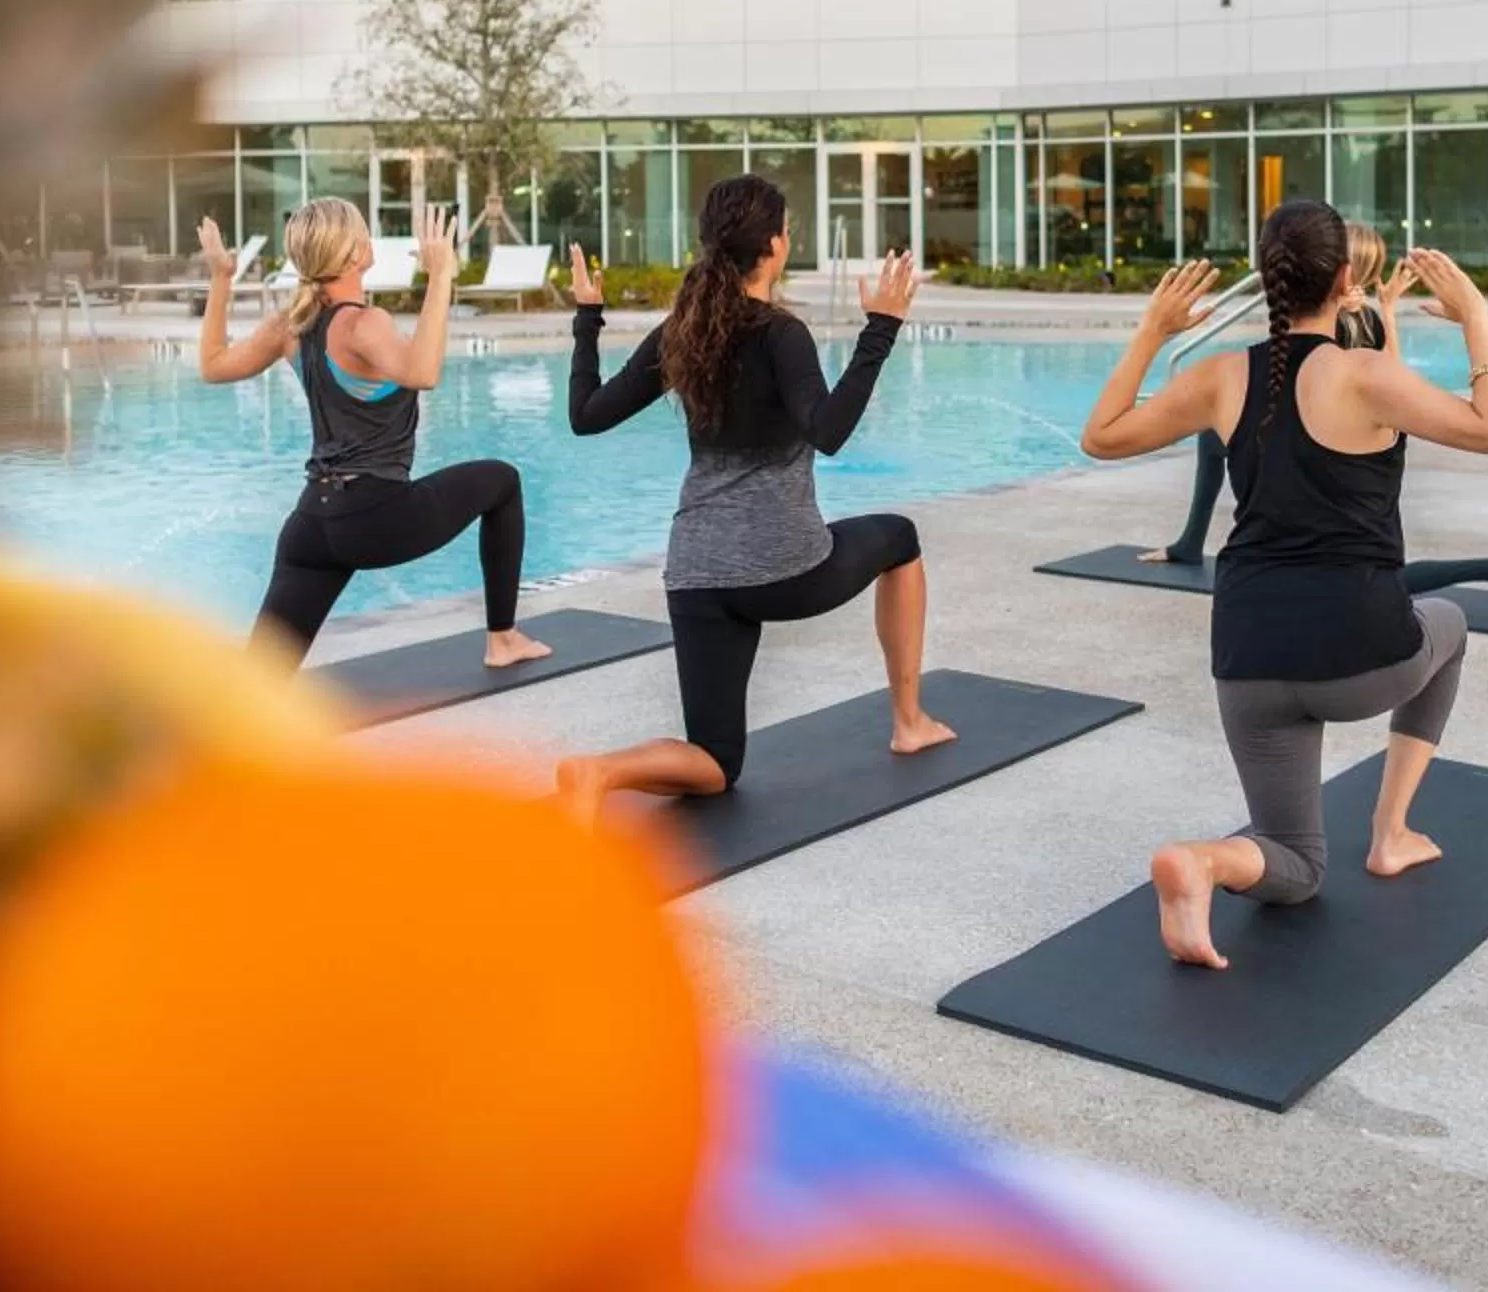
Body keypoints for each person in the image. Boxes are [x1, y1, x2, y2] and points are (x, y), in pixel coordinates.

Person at [1079, 202, 1488, 969]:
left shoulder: (1220, 377)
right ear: (1347, 278)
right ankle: (1390, 834)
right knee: (1450, 624)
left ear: (1267, 280)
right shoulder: (1368, 376)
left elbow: (1101, 436)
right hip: (1363, 655)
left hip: (1248, 657)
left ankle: (1205, 861)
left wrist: (1154, 330)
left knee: (1293, 861)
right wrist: (1476, 318)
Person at [554, 174, 950, 821]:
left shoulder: (682, 331)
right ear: (774, 243)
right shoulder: (779, 333)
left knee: (714, 763)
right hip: (785, 571)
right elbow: (828, 432)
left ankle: (601, 771)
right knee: (899, 538)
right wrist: (881, 328)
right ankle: (909, 722)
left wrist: (587, 317)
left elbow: (586, 415)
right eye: (787, 228)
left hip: (695, 576)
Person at [193, 202, 547, 673]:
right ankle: (502, 640)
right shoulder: (364, 323)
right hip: (375, 519)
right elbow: (423, 371)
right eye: (364, 234)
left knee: (257, 684)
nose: (370, 241)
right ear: (354, 254)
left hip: (310, 527)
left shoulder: (290, 325)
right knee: (502, 481)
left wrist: (221, 276)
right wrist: (440, 275)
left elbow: (213, 365)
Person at [1141, 224, 1488, 623]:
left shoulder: (1346, 320)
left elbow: (1376, 380)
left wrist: (1433, 314)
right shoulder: (1355, 315)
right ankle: (1190, 541)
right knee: (1213, 438)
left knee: (1365, 572)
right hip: (1337, 446)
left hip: (1344, 450)